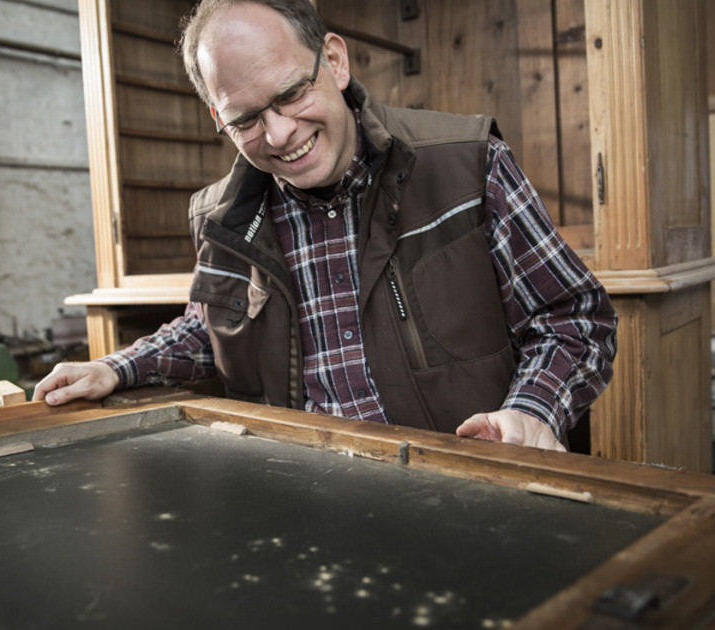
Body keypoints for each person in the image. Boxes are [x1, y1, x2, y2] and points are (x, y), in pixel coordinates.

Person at [34, 0, 616, 452]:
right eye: (246, 118)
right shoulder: (223, 219)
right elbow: (211, 330)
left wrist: (531, 413)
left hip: (470, 483)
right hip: (306, 493)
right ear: (219, 117)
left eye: (290, 93)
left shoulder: (467, 162)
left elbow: (573, 319)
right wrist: (115, 366)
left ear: (333, 61)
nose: (281, 134)